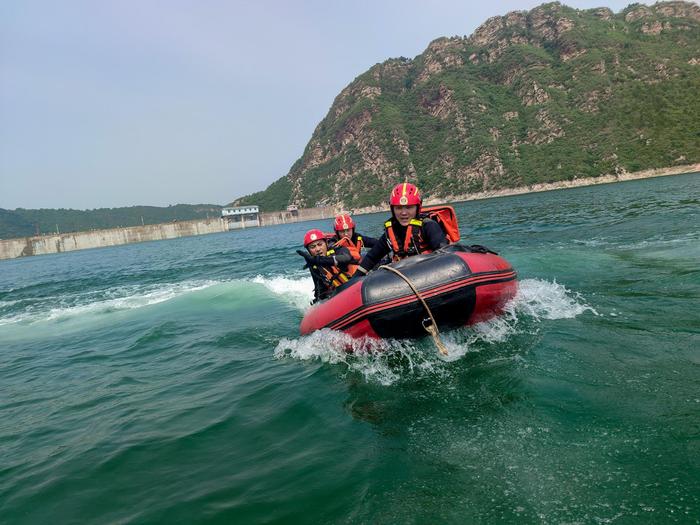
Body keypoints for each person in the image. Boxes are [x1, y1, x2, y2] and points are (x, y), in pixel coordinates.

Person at [354, 182, 447, 276]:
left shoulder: (428, 226)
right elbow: (371, 257)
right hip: (403, 279)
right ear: (392, 209)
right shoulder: (390, 233)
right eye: (398, 208)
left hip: (430, 275)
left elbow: (446, 255)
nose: (403, 213)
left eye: (409, 207)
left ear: (417, 207)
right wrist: (354, 280)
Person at [297, 229, 359, 302]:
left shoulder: (339, 249)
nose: (317, 249)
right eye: (312, 247)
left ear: (326, 243)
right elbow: (320, 288)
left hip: (357, 282)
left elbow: (346, 258)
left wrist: (320, 260)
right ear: (308, 251)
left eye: (320, 244)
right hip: (341, 292)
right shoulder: (314, 265)